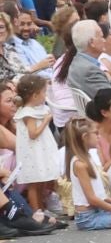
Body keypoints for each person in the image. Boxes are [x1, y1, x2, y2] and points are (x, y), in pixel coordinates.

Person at [11, 72, 60, 218]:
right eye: (44, 92)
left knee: (39, 182)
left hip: (39, 150)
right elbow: (33, 134)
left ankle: (41, 208)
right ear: (35, 95)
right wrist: (46, 121)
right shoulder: (28, 113)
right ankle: (36, 212)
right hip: (33, 152)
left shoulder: (36, 110)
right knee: (33, 183)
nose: (45, 95)